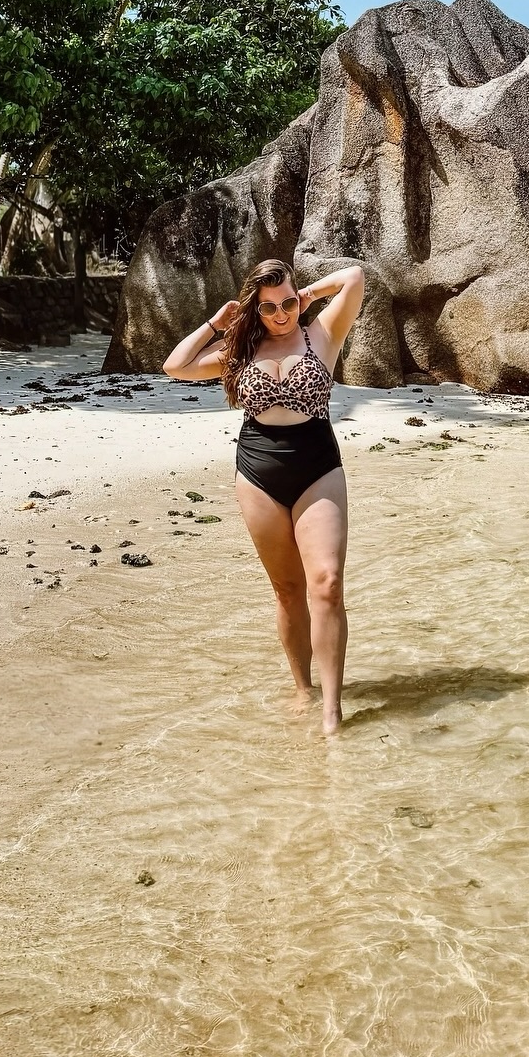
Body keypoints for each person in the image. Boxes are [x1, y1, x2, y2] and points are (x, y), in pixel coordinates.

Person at [162, 258, 365, 735]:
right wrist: (218, 322)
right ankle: (302, 688)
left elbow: (354, 277)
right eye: (269, 307)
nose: (280, 315)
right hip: (258, 473)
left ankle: (332, 709)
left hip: (318, 467)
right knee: (288, 590)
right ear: (255, 308)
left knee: (327, 583)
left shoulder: (322, 334)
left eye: (287, 303)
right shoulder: (238, 350)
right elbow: (176, 366)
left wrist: (308, 296)